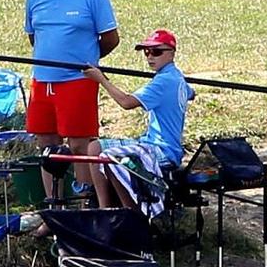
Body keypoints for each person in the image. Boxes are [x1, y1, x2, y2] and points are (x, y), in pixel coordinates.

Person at [24, 0, 119, 200]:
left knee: (79, 142)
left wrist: (86, 62)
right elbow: (34, 37)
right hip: (42, 81)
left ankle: (83, 198)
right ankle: (53, 203)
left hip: (77, 81)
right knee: (46, 143)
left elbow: (110, 38)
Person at [82, 29, 196, 210]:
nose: (151, 57)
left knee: (112, 159)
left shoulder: (164, 81)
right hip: (150, 142)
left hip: (162, 150)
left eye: (157, 52)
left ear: (172, 53)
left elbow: (126, 103)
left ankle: (130, 212)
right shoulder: (176, 77)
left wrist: (101, 79)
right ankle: (104, 207)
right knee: (94, 147)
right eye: (147, 52)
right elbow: (192, 94)